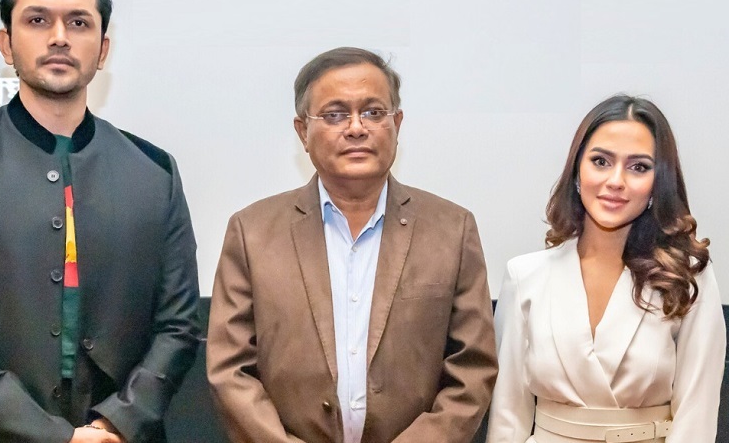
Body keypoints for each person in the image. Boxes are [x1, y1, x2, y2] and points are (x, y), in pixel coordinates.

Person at [0, 0, 200, 442]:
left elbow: (179, 325)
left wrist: (116, 423)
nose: (59, 37)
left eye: (79, 22)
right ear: (6, 44)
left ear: (103, 49)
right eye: (37, 20)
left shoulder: (154, 170)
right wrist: (56, 436)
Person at [206, 46, 498, 443]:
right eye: (334, 114)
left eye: (374, 112)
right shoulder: (252, 232)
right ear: (302, 131)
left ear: (397, 123)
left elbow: (472, 369)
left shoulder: (451, 230)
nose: (357, 128)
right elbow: (230, 369)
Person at [486, 95, 726, 443]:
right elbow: (507, 418)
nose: (616, 180)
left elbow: (696, 419)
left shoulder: (687, 277)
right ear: (577, 171)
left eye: (638, 167)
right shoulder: (525, 276)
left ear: (658, 184)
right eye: (601, 161)